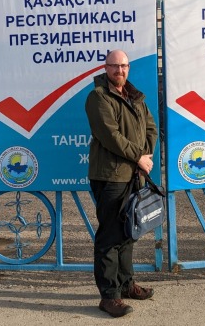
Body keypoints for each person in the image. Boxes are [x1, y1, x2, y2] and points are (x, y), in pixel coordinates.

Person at [85, 49, 158, 318]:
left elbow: (150, 127)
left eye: (124, 66)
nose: (120, 71)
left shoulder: (135, 96)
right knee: (110, 236)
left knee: (128, 233)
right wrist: (138, 156)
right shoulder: (98, 97)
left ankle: (126, 285)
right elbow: (110, 135)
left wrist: (145, 155)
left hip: (133, 174)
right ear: (106, 68)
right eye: (115, 66)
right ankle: (109, 295)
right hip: (110, 176)